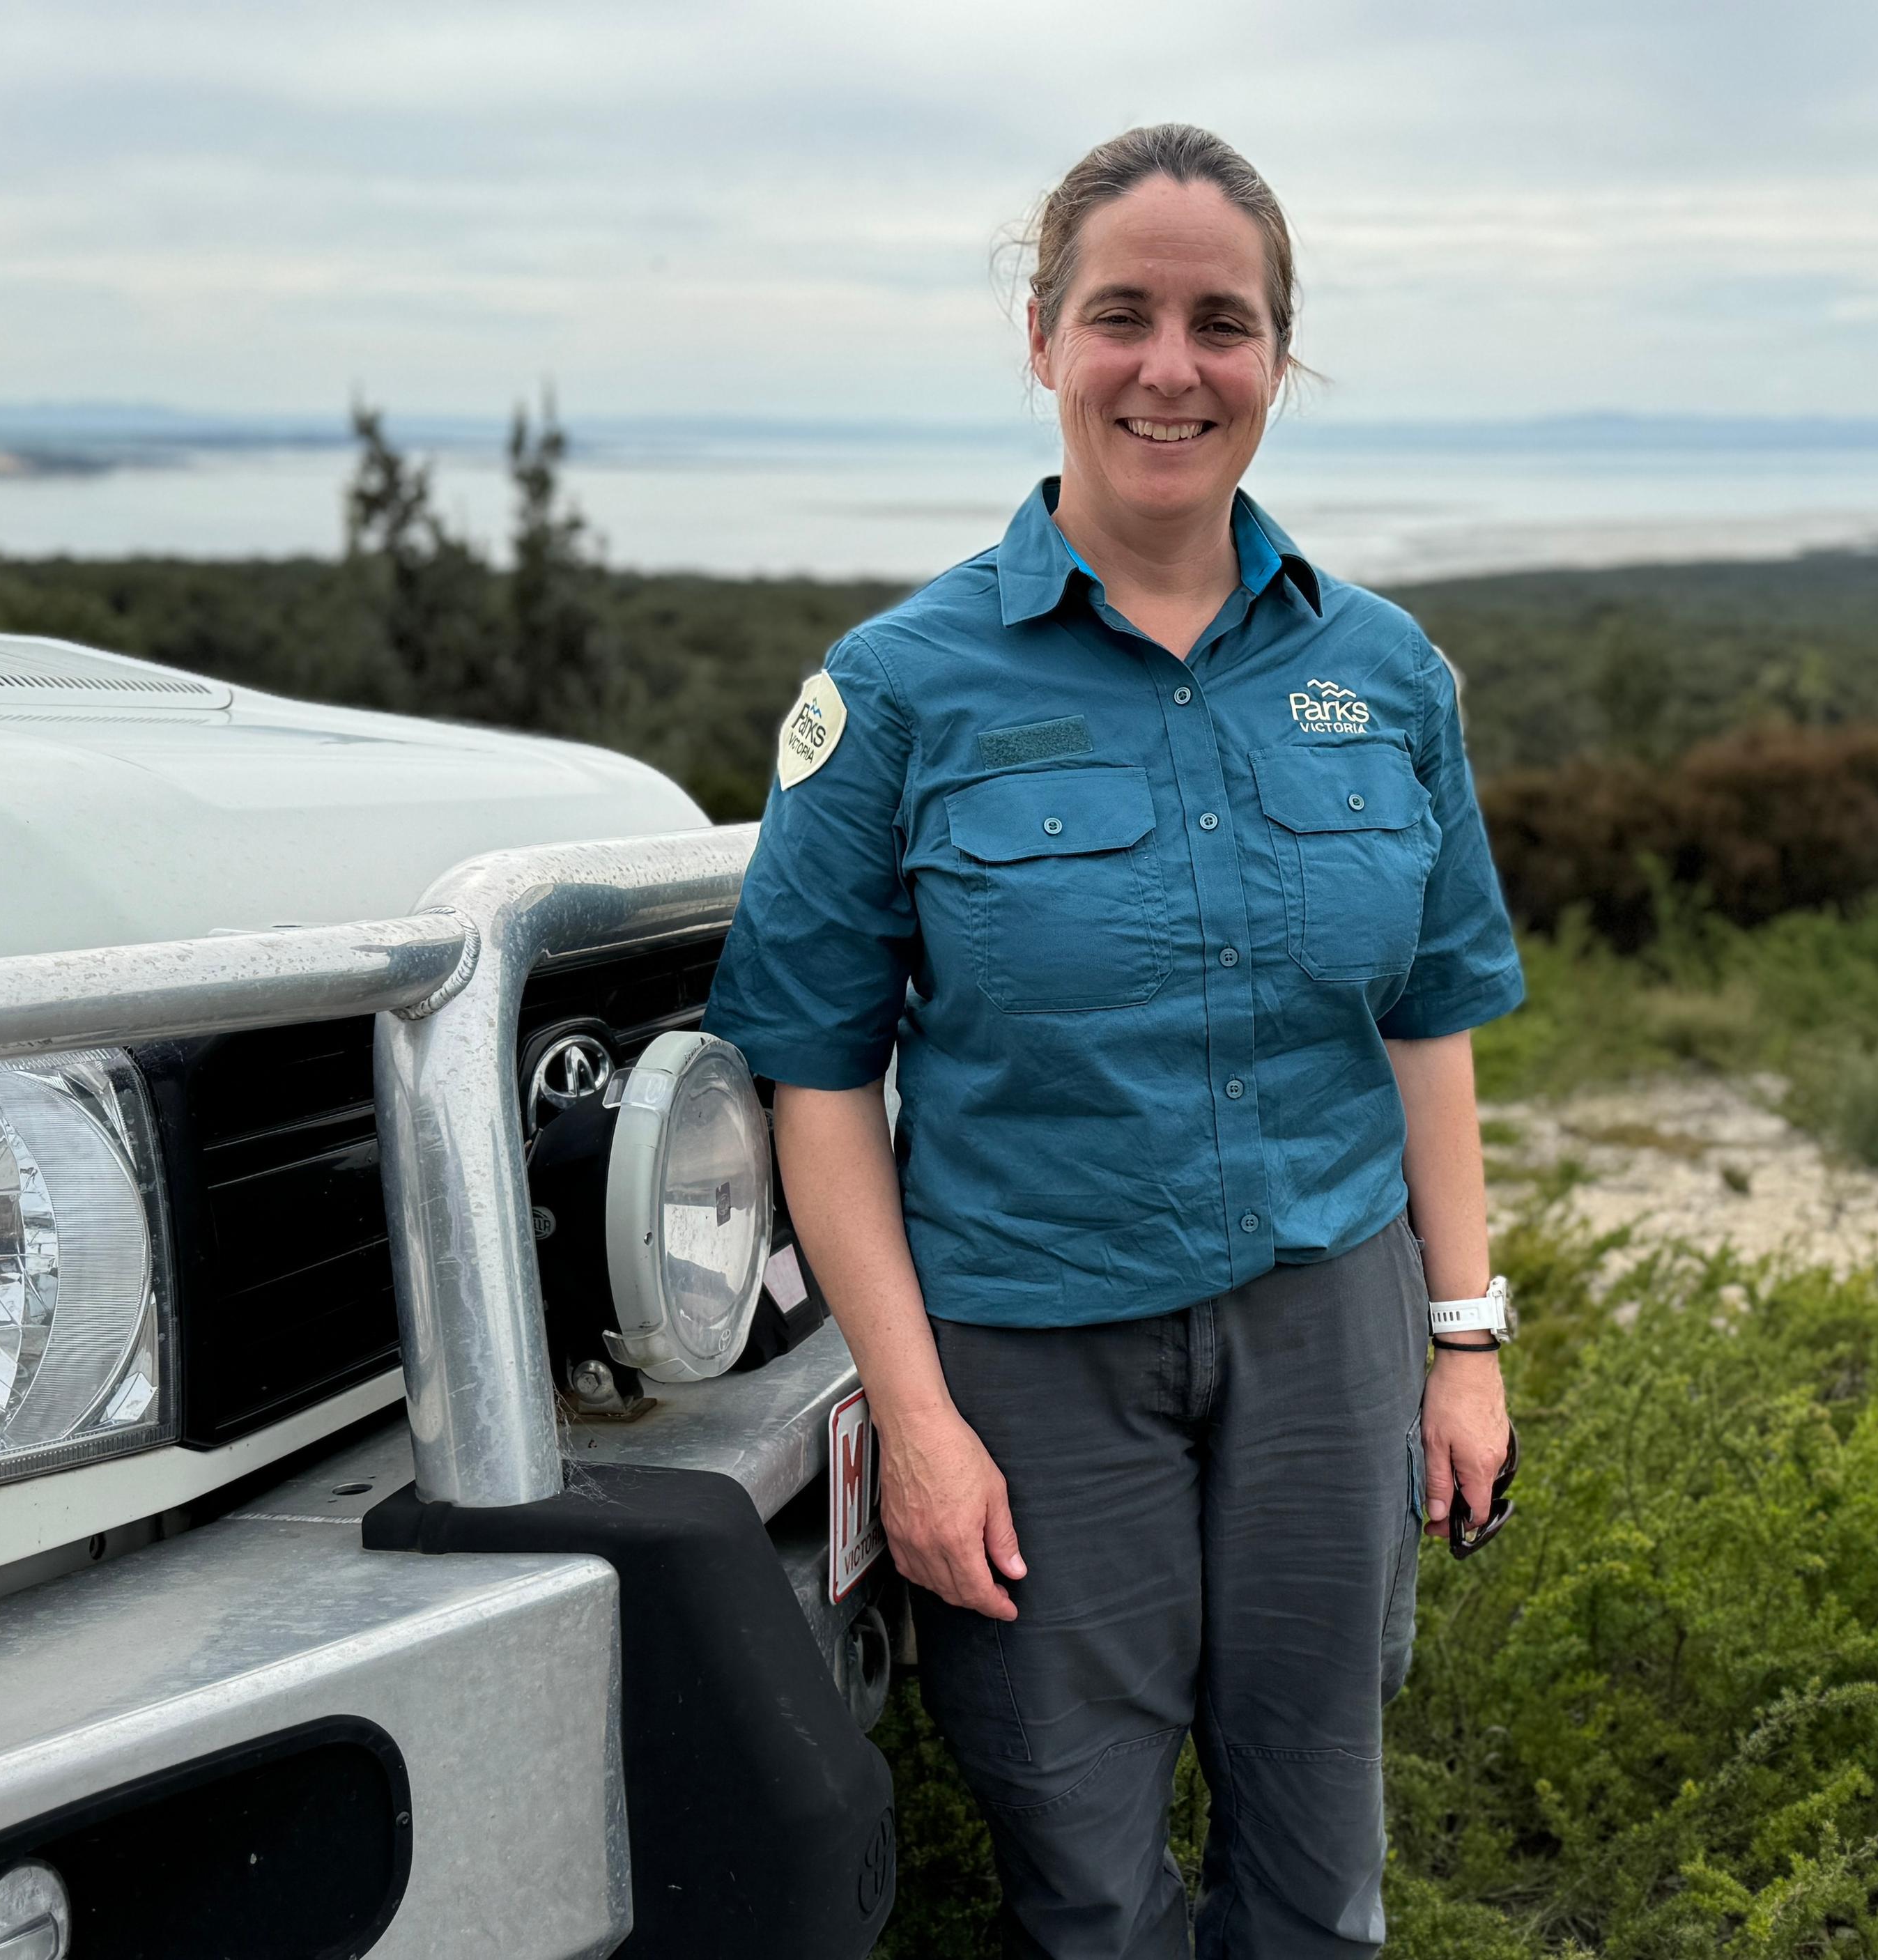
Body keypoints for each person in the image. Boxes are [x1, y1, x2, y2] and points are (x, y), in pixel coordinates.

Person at [705, 122, 1523, 1960]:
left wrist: (1464, 1346)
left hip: (1333, 1316)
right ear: (1044, 336)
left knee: (1321, 1855)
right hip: (1027, 1346)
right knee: (1080, 1861)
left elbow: (1431, 1020)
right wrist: (913, 1422)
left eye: (1223, 323)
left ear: (1279, 357)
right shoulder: (901, 689)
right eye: (1123, 315)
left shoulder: (1388, 675)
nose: (1173, 367)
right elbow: (815, 1079)